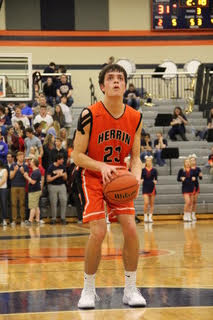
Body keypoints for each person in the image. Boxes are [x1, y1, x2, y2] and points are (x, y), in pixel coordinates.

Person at [72, 63, 146, 309]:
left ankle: (130, 288)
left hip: (119, 177)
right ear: (102, 86)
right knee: (99, 231)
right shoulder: (89, 114)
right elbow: (77, 156)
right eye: (111, 78)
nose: (116, 81)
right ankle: (88, 290)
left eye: (120, 78)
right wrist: (101, 166)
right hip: (93, 175)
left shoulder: (135, 117)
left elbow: (135, 157)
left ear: (125, 85)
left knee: (131, 230)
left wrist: (135, 176)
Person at [47, 153, 67, 225]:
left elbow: (66, 178)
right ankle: (53, 218)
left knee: (64, 201)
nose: (63, 160)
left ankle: (63, 218)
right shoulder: (51, 167)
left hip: (62, 185)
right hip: (53, 186)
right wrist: (57, 176)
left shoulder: (63, 167)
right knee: (53, 202)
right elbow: (48, 179)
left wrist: (63, 175)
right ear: (58, 160)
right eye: (61, 159)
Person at [10, 151, 29, 226]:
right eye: (20, 156)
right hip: (14, 186)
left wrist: (23, 171)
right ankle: (14, 220)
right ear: (17, 157)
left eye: (23, 156)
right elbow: (11, 177)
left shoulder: (25, 166)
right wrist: (15, 170)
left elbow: (26, 177)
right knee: (14, 204)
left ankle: (22, 220)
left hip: (22, 186)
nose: (22, 157)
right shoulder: (13, 165)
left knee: (22, 204)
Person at [24, 158, 42, 225]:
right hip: (36, 191)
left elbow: (33, 182)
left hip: (34, 191)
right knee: (36, 206)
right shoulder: (35, 171)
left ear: (34, 163)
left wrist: (26, 177)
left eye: (31, 161)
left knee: (32, 206)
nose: (30, 162)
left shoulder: (36, 172)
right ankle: (37, 219)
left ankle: (30, 220)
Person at [141, 156, 157, 223]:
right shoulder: (143, 170)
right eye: (147, 161)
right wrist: (141, 180)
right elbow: (141, 178)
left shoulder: (154, 170)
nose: (148, 162)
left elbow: (156, 179)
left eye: (150, 161)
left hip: (152, 187)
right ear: (146, 162)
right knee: (146, 203)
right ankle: (145, 216)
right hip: (145, 187)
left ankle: (150, 217)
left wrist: (155, 181)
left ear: (151, 162)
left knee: (151, 204)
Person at [189, 154, 202, 221]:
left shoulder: (198, 168)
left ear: (195, 161)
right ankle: (189, 214)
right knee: (190, 201)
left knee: (195, 201)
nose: (193, 161)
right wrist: (191, 178)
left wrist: (200, 175)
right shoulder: (188, 169)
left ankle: (193, 214)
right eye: (191, 160)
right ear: (190, 161)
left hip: (196, 185)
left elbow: (200, 178)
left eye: (194, 160)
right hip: (190, 186)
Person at [0, 159, 8, 226]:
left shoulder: (4, 170)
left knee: (3, 204)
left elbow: (4, 179)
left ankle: (4, 219)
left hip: (3, 189)